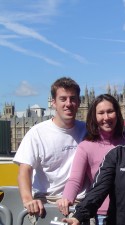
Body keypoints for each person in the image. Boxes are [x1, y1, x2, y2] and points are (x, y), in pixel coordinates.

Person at [13, 77, 87, 217]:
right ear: (53, 102)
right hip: (47, 201)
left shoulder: (88, 131)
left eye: (72, 99)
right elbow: (25, 170)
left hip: (79, 202)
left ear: (78, 102)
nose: (68, 104)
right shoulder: (37, 132)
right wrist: (28, 199)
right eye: (63, 99)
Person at [56, 94, 125, 225]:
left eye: (110, 111)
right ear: (94, 117)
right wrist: (66, 198)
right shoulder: (86, 146)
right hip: (101, 214)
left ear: (117, 114)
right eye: (101, 113)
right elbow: (75, 180)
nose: (106, 117)